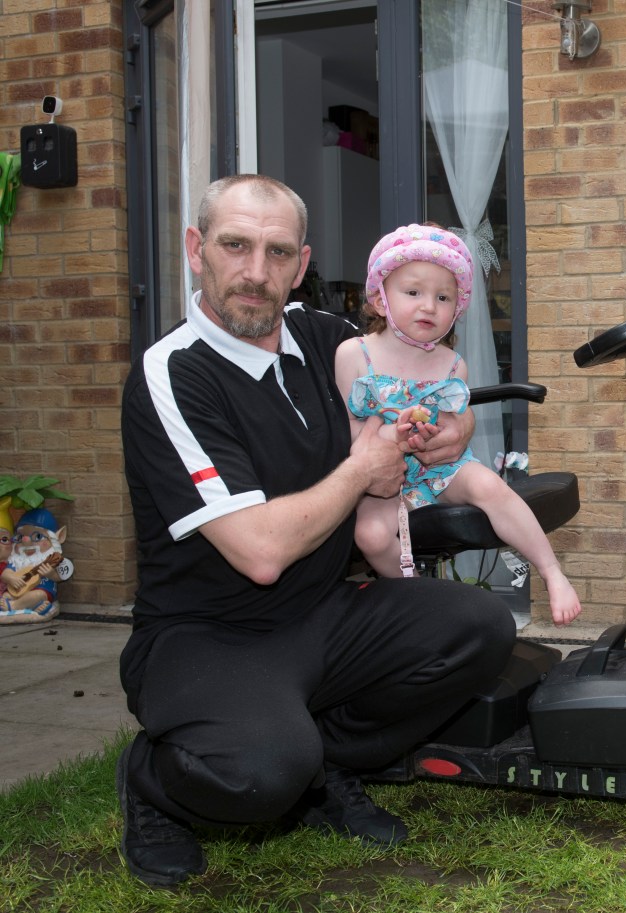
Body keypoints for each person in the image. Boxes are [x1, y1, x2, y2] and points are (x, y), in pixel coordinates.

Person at [117, 175, 516, 887]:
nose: (254, 272)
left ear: (300, 265)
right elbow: (260, 551)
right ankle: (154, 780)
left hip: (325, 611)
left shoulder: (329, 341)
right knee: (260, 772)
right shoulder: (174, 373)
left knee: (480, 625)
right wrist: (365, 465)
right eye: (234, 246)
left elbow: (423, 385)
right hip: (206, 631)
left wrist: (448, 432)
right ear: (195, 249)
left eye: (276, 253)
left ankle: (325, 766)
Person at [334, 224, 581, 627]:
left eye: (443, 297)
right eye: (413, 293)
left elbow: (452, 431)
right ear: (380, 299)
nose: (429, 306)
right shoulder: (355, 354)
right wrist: (388, 438)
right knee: (371, 537)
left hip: (440, 468)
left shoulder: (452, 365)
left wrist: (435, 433)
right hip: (381, 473)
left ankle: (552, 572)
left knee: (488, 485)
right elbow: (350, 433)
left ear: (457, 308)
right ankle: (418, 600)